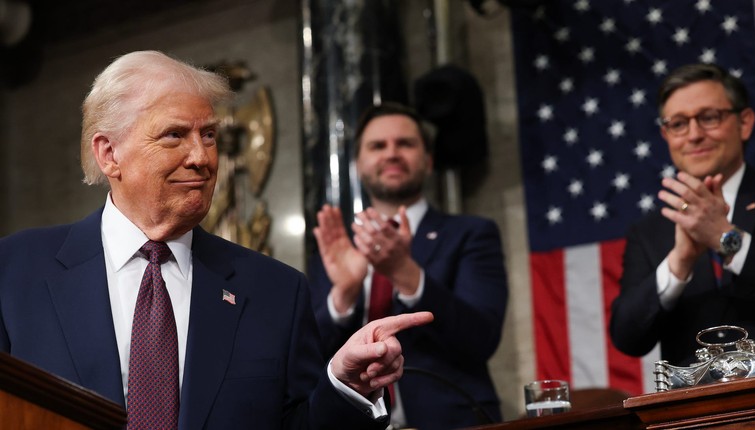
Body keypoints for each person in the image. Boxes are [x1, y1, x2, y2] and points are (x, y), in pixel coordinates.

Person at [0, 50, 433, 429]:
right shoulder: (16, 270)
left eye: (209, 135)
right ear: (109, 153)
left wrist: (344, 386)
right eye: (175, 135)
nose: (202, 157)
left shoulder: (275, 291)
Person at [308, 102, 508, 429]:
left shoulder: (471, 234)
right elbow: (310, 360)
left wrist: (405, 272)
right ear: (358, 166)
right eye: (377, 146)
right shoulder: (336, 250)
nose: (391, 153)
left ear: (428, 161)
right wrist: (343, 297)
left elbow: (482, 339)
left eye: (405, 143)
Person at [610, 63, 755, 367]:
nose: (693, 135)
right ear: (666, 135)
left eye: (708, 118)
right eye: (678, 124)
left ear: (744, 123)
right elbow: (628, 338)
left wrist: (726, 239)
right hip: (694, 409)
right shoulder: (650, 231)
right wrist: (679, 261)